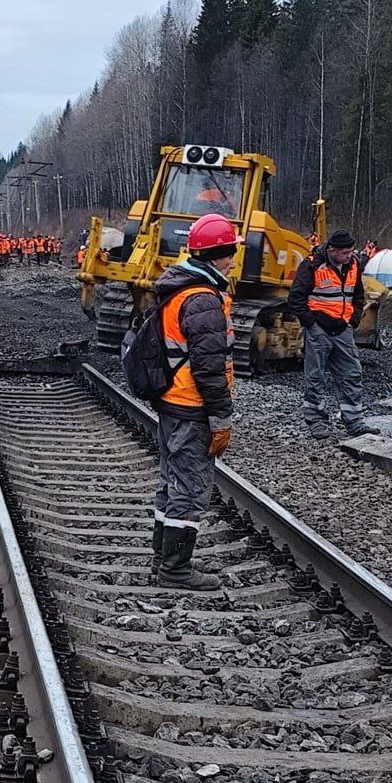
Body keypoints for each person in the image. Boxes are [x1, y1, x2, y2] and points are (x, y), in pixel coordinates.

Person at [152, 213, 236, 591]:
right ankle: (175, 570)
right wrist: (221, 417)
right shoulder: (203, 299)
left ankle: (163, 559)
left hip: (172, 400)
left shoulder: (180, 288)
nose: (233, 259)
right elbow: (209, 368)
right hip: (191, 405)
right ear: (218, 254)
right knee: (190, 488)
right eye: (230, 252)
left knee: (171, 483)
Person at [288, 229, 373, 440]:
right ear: (332, 251)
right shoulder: (312, 265)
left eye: (351, 252)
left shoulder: (353, 265)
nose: (349, 256)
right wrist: (311, 324)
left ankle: (354, 421)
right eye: (345, 252)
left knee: (352, 373)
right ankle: (316, 421)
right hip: (320, 329)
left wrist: (352, 321)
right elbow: (296, 298)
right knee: (314, 377)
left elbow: (358, 296)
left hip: (343, 328)